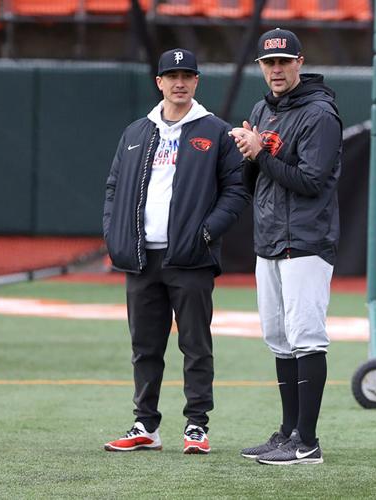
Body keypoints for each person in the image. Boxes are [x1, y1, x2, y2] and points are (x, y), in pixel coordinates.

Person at [102, 48, 249, 455]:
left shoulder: (216, 131)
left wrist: (205, 234)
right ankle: (145, 424)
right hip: (141, 257)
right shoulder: (135, 133)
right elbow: (113, 188)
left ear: (197, 81)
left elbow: (236, 191)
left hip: (190, 258)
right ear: (160, 82)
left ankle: (197, 425)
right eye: (172, 75)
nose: (179, 82)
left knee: (195, 345)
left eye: (187, 75)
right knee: (144, 347)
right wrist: (115, 236)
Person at [229, 28, 342, 465]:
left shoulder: (320, 114)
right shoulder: (263, 108)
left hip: (307, 240)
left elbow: (312, 182)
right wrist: (247, 154)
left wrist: (261, 154)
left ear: (299, 62)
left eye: (283, 61)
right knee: (278, 337)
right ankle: (288, 432)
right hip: (271, 238)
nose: (276, 69)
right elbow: (258, 177)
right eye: (268, 63)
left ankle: (308, 442)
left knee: (306, 336)